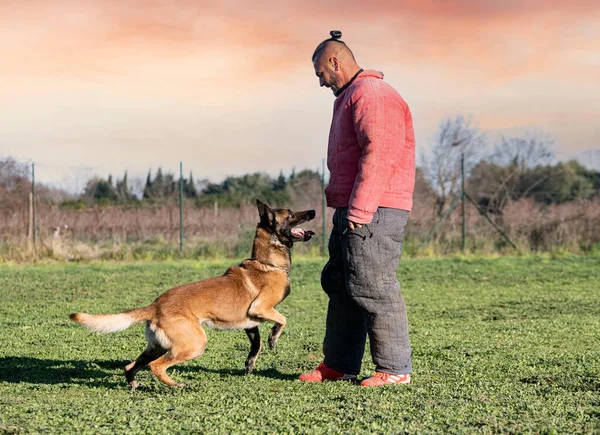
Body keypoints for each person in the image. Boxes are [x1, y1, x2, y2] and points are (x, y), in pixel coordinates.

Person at [299, 31, 416, 386]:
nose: (321, 82)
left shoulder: (373, 94)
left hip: (373, 209)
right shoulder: (353, 95)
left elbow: (379, 153)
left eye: (321, 73)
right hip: (353, 207)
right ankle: (339, 364)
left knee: (373, 286)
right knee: (341, 284)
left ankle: (395, 370)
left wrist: (361, 209)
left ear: (335, 61)